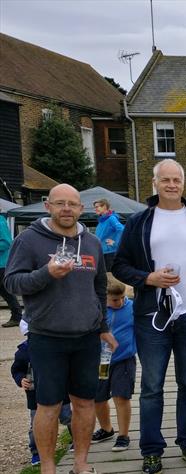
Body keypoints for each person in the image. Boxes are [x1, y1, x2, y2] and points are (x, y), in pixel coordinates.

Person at [112, 159, 186, 473]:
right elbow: (119, 265)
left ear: (184, 184)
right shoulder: (139, 222)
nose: (172, 185)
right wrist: (148, 278)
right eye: (166, 180)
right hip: (151, 315)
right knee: (152, 386)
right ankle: (151, 450)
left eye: (177, 180)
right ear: (155, 183)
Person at [4, 183, 117, 474]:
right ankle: (48, 468)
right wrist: (46, 273)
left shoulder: (91, 242)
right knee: (49, 406)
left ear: (81, 208)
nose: (66, 209)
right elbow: (12, 282)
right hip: (47, 337)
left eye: (72, 204)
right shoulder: (29, 240)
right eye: (60, 203)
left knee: (84, 403)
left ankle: (80, 464)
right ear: (48, 206)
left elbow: (99, 286)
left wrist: (103, 326)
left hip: (87, 337)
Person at [11, 320, 73, 467]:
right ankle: (36, 451)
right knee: (35, 424)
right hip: (35, 395)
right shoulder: (23, 352)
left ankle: (76, 440)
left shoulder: (57, 348)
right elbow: (16, 370)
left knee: (68, 417)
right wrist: (21, 380)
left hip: (60, 392)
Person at [91, 277, 137, 452]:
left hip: (124, 359)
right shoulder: (97, 309)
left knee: (121, 396)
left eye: (121, 298)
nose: (119, 302)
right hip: (100, 360)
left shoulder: (132, 308)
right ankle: (106, 428)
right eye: (114, 300)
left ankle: (123, 435)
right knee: (98, 397)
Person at [1, 212, 24, 327]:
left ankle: (17, 316)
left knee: (6, 291)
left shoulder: (0, 221)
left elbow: (6, 242)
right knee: (5, 291)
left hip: (1, 263)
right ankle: (17, 316)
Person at [93, 198, 125, 270]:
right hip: (102, 252)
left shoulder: (111, 218)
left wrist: (115, 242)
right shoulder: (101, 220)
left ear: (104, 206)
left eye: (97, 207)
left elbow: (122, 229)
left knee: (110, 277)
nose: (95, 209)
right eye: (95, 207)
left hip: (110, 253)